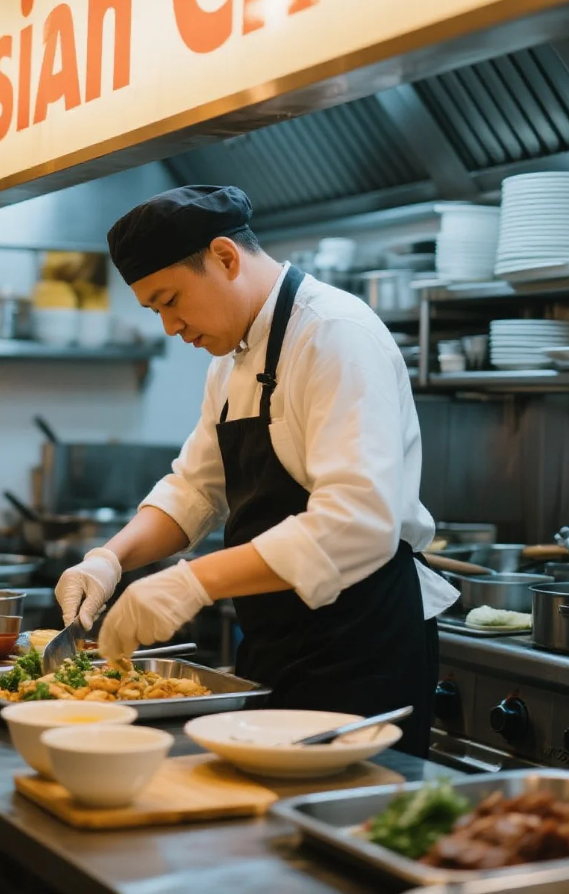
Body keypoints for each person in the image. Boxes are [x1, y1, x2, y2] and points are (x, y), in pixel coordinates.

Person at [54, 185, 458, 755]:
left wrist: (192, 582)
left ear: (224, 257)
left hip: (361, 647)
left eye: (170, 300)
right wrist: (109, 560)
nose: (170, 326)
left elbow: (357, 523)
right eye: (155, 310)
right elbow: (195, 489)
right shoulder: (231, 358)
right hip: (276, 644)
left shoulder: (334, 334)